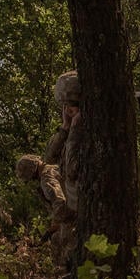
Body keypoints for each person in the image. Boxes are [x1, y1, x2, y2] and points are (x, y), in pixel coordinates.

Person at [15, 154, 75, 266]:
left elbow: (60, 203)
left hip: (74, 213)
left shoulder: (46, 179)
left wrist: (54, 227)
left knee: (60, 240)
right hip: (75, 206)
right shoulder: (53, 167)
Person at [44, 70, 81, 212]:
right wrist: (66, 127)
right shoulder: (66, 132)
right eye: (65, 106)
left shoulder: (87, 132)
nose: (68, 110)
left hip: (82, 203)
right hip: (73, 204)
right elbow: (49, 158)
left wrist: (75, 128)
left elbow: (72, 168)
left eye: (72, 104)